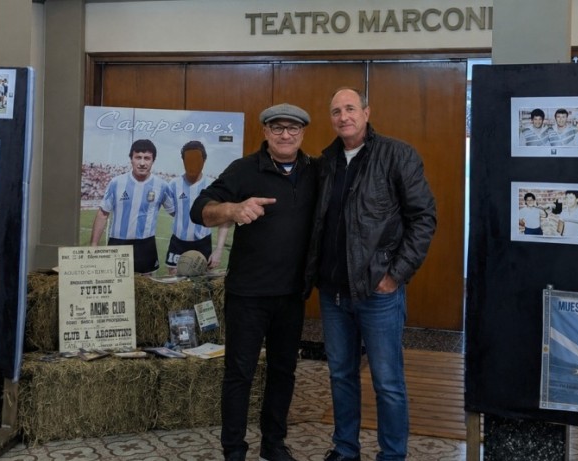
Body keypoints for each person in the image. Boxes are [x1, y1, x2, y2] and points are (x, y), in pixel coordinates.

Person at [305, 87, 436, 461]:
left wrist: (395, 275)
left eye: (350, 108)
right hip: (333, 294)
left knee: (388, 383)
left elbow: (423, 218)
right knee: (341, 376)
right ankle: (345, 450)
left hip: (378, 293)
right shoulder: (326, 161)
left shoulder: (397, 155)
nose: (343, 116)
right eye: (335, 111)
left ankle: (392, 455)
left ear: (366, 111)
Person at [190, 103, 318, 461]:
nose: (285, 134)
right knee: (239, 374)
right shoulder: (244, 169)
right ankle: (233, 449)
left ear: (303, 133)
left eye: (293, 128)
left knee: (283, 371)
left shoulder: (315, 171)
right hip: (247, 294)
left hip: (292, 295)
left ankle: (273, 444)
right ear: (265, 132)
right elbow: (198, 208)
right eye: (277, 127)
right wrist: (232, 210)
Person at [90, 139, 173, 274]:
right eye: (138, 157)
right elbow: (102, 213)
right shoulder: (116, 183)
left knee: (147, 288)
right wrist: (94, 244)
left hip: (146, 245)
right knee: (115, 287)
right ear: (131, 159)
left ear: (153, 160)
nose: (142, 163)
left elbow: (176, 212)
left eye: (147, 158)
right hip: (118, 243)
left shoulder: (162, 185)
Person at [164, 140, 229, 275]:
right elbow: (174, 212)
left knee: (201, 285)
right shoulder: (173, 184)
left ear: (204, 160)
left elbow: (224, 219)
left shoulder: (213, 186)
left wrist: (218, 250)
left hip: (202, 243)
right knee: (176, 284)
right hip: (178, 242)